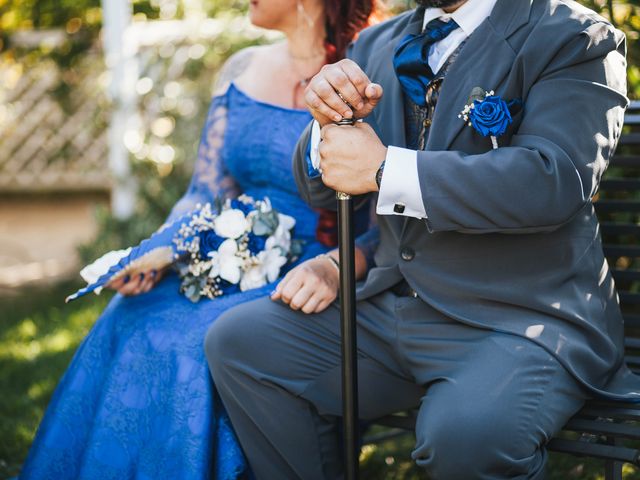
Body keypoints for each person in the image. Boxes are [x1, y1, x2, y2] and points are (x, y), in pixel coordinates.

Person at [205, 0, 640, 478]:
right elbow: (322, 190)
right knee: (242, 344)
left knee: (466, 437)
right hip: (395, 304)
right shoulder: (375, 43)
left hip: (523, 318)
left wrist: (384, 169)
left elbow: (555, 182)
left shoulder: (573, 35)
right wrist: (324, 129)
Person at [19, 1, 380, 478]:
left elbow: (385, 217)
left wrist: (338, 264)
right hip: (230, 250)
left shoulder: (368, 73)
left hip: (318, 267)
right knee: (130, 316)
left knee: (191, 339)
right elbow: (204, 193)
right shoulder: (241, 69)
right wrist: (159, 250)